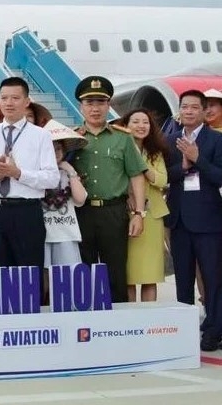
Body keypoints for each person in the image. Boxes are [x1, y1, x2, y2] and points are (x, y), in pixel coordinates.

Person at [71, 76, 147, 304]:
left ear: (109, 105)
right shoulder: (71, 138)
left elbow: (136, 175)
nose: (95, 109)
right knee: (83, 270)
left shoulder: (123, 139)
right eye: (89, 103)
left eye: (101, 102)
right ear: (81, 106)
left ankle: (116, 329)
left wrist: (139, 214)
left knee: (115, 271)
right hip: (81, 213)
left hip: (113, 212)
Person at [0, 77, 59, 269]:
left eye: (15, 98)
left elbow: (52, 178)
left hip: (27, 211)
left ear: (27, 101)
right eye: (4, 98)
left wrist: (18, 173)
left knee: (29, 272)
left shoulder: (41, 135)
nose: (8, 103)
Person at [164, 90, 222, 351]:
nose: (188, 111)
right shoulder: (169, 140)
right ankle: (183, 330)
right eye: (184, 107)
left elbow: (219, 176)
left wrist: (199, 159)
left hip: (209, 221)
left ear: (203, 112)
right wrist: (184, 167)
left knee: (213, 278)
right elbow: (163, 176)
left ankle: (214, 329)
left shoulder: (215, 140)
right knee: (183, 279)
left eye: (194, 107)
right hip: (178, 221)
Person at [120, 109, 170, 302]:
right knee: (129, 275)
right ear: (126, 126)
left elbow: (162, 180)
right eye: (136, 121)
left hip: (152, 217)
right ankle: (132, 318)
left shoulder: (154, 152)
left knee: (150, 274)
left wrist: (140, 164)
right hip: (126, 214)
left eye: (145, 122)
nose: (141, 126)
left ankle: (150, 317)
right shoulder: (119, 149)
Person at [41, 120, 88, 269]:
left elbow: (80, 199)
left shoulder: (68, 173)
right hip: (43, 232)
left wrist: (71, 171)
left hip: (66, 233)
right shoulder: (37, 173)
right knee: (44, 276)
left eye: (58, 149)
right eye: (50, 148)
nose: (55, 153)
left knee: (67, 276)